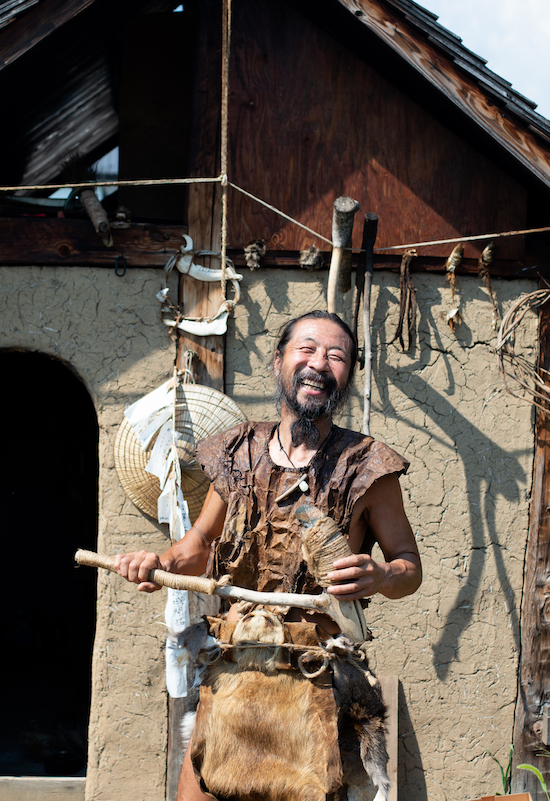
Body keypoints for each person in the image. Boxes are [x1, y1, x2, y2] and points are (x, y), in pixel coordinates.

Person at [115, 310, 422, 800]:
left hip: (315, 675)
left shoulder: (369, 467)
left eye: (336, 356)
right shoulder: (237, 452)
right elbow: (197, 546)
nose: (319, 364)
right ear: (279, 360)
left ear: (347, 376)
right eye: (306, 349)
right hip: (233, 666)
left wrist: (382, 573)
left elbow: (409, 567)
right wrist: (161, 565)